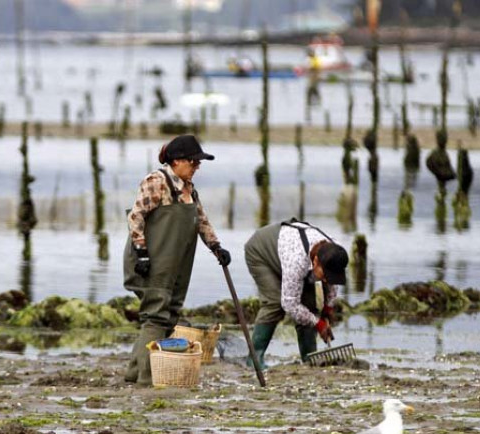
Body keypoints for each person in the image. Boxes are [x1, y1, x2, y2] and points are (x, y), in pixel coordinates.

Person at [123, 135, 231, 386]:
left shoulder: (189, 189)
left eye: (198, 164)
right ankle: (147, 377)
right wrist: (141, 251)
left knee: (170, 314)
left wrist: (216, 247)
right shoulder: (156, 182)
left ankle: (134, 372)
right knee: (156, 316)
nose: (197, 168)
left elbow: (201, 220)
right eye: (194, 163)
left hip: (176, 263)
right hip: (150, 260)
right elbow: (136, 217)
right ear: (177, 161)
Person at [244, 218, 349, 367]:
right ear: (316, 261)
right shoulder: (297, 262)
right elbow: (290, 304)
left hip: (290, 251)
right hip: (261, 252)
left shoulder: (335, 252)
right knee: (274, 303)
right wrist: (318, 324)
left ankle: (309, 359)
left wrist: (328, 308)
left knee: (309, 307)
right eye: (325, 275)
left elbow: (332, 282)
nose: (326, 280)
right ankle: (254, 359)